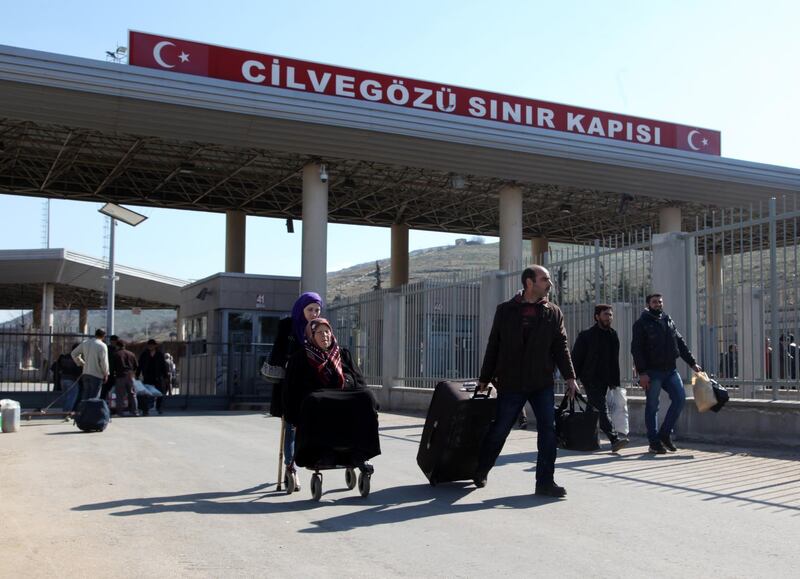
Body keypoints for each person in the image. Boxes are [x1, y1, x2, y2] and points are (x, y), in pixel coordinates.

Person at [473, 265, 578, 498]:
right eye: (545, 279)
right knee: (500, 429)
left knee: (548, 432)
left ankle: (545, 482)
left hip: (541, 382)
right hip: (511, 382)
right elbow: (494, 345)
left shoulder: (553, 312)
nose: (549, 284)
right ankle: (481, 470)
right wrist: (484, 378)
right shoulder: (506, 311)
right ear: (529, 283)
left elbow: (561, 346)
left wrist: (570, 377)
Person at [631, 293, 701, 454]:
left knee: (680, 398)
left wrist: (692, 363)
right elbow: (636, 349)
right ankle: (654, 442)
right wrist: (642, 373)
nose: (658, 304)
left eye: (660, 302)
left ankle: (664, 434)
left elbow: (680, 344)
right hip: (652, 371)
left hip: (670, 370)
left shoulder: (668, 321)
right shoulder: (641, 324)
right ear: (648, 304)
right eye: (654, 302)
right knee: (652, 406)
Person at [268, 292, 323, 481]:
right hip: (290, 385)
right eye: (310, 310)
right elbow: (276, 354)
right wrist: (292, 362)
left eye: (317, 309)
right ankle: (290, 467)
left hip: (313, 386)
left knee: (310, 426)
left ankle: (311, 460)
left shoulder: (321, 327)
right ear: (301, 309)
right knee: (290, 426)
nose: (314, 314)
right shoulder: (287, 326)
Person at [571, 304, 629, 453]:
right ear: (597, 317)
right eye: (605, 314)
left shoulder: (613, 335)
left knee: (592, 409)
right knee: (601, 408)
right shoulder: (586, 336)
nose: (608, 317)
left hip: (605, 379)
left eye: (610, 315)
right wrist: (572, 378)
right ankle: (614, 438)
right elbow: (576, 358)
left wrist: (615, 382)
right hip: (590, 378)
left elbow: (614, 360)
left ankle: (586, 440)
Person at [71, 329, 109, 400]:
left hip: (86, 373)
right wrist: (106, 373)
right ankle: (92, 411)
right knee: (94, 397)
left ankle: (84, 410)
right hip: (96, 374)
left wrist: (81, 363)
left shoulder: (85, 343)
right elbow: (104, 361)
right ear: (103, 336)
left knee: (85, 395)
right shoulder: (102, 345)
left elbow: (73, 353)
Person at [137, 339, 170, 415]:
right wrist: (137, 375)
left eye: (152, 345)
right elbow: (140, 365)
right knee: (146, 394)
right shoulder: (144, 354)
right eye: (149, 345)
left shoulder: (159, 354)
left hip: (158, 377)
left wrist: (166, 377)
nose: (151, 346)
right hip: (147, 377)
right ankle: (146, 409)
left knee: (160, 393)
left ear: (155, 346)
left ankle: (159, 408)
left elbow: (163, 366)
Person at [51, 342, 82, 415]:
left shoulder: (64, 356)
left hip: (63, 379)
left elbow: (56, 367)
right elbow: (78, 370)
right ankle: (66, 412)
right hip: (71, 380)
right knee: (72, 396)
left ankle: (65, 411)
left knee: (66, 396)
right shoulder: (76, 358)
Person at [111, 339, 139, 416]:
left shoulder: (116, 354)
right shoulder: (132, 354)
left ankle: (120, 413)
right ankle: (135, 411)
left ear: (117, 346)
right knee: (132, 394)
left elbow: (113, 367)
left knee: (120, 395)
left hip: (120, 376)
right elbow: (136, 366)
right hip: (130, 376)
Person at [100, 335, 120, 401]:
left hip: (111, 373)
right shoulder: (115, 350)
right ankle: (106, 404)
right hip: (109, 373)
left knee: (108, 391)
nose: (114, 343)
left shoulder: (107, 349)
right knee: (107, 391)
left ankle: (107, 404)